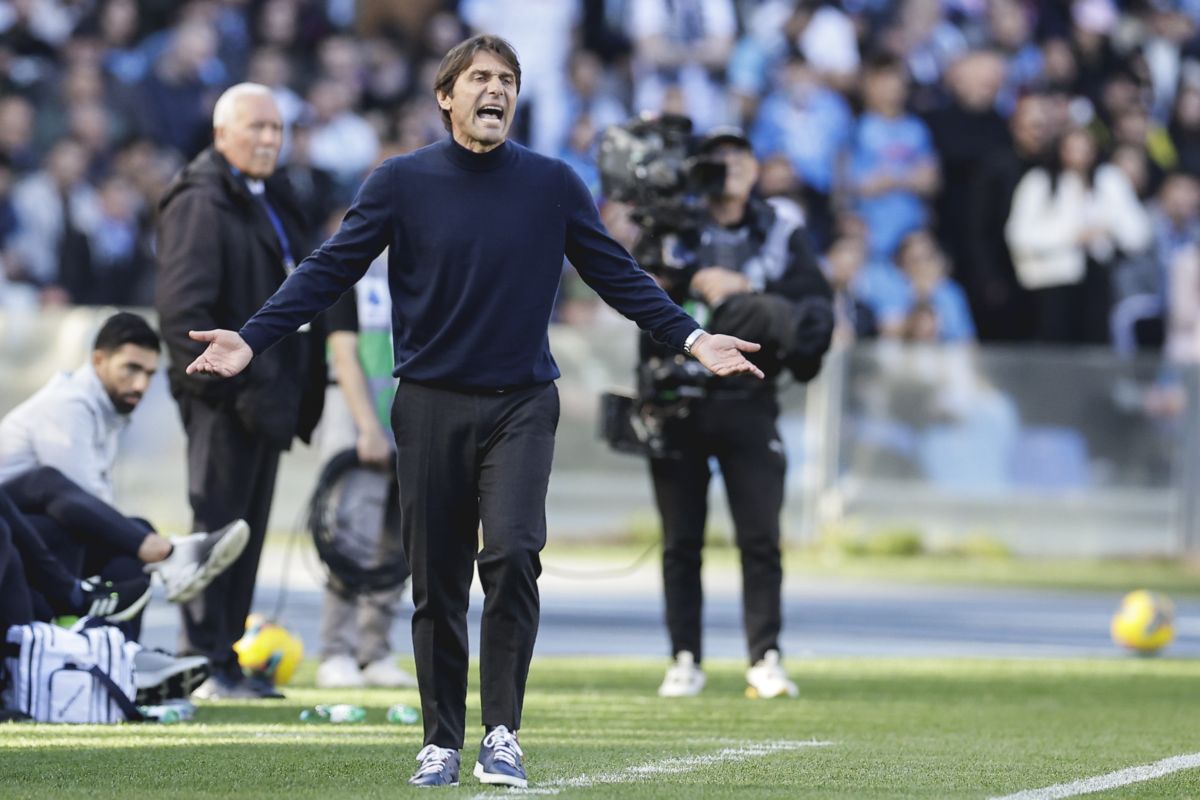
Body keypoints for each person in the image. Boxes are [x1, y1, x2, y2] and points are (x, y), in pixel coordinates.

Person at [182, 35, 763, 790]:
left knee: (515, 556)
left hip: (524, 403)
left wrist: (692, 337)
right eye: (481, 77)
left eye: (508, 80)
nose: (497, 90)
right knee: (438, 582)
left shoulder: (552, 183)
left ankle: (502, 734)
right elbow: (330, 268)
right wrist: (253, 339)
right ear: (446, 96)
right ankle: (440, 741)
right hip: (428, 404)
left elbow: (617, 274)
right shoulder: (400, 182)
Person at [636, 128, 832, 701]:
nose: (731, 167)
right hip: (680, 397)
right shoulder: (675, 225)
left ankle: (764, 656)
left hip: (749, 395)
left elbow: (816, 309)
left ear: (756, 167)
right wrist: (692, 282)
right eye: (718, 158)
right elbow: (637, 290)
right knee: (680, 540)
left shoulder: (781, 230)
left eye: (740, 156)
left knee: (760, 535)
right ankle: (684, 657)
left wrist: (742, 291)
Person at [155, 83, 326, 700]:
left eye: (277, 128)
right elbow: (181, 314)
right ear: (221, 132)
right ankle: (200, 659)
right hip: (224, 400)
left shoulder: (271, 195)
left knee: (244, 534)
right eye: (256, 127)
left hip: (265, 400)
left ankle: (224, 657)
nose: (269, 139)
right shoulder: (200, 200)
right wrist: (228, 392)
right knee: (217, 528)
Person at [0, 312, 250, 641]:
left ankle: (120, 653)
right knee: (94, 526)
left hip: (37, 534)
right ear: (98, 360)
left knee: (132, 542)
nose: (141, 385)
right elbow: (80, 503)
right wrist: (140, 540)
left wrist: (135, 536)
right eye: (131, 368)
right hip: (16, 535)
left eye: (149, 374)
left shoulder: (106, 412)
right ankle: (170, 555)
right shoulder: (68, 407)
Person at [313, 234, 416, 691]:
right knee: (352, 539)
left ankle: (375, 651)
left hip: (410, 421)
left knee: (399, 544)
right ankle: (336, 649)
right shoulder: (347, 270)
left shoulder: (420, 270)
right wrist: (368, 427)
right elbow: (343, 354)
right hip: (357, 421)